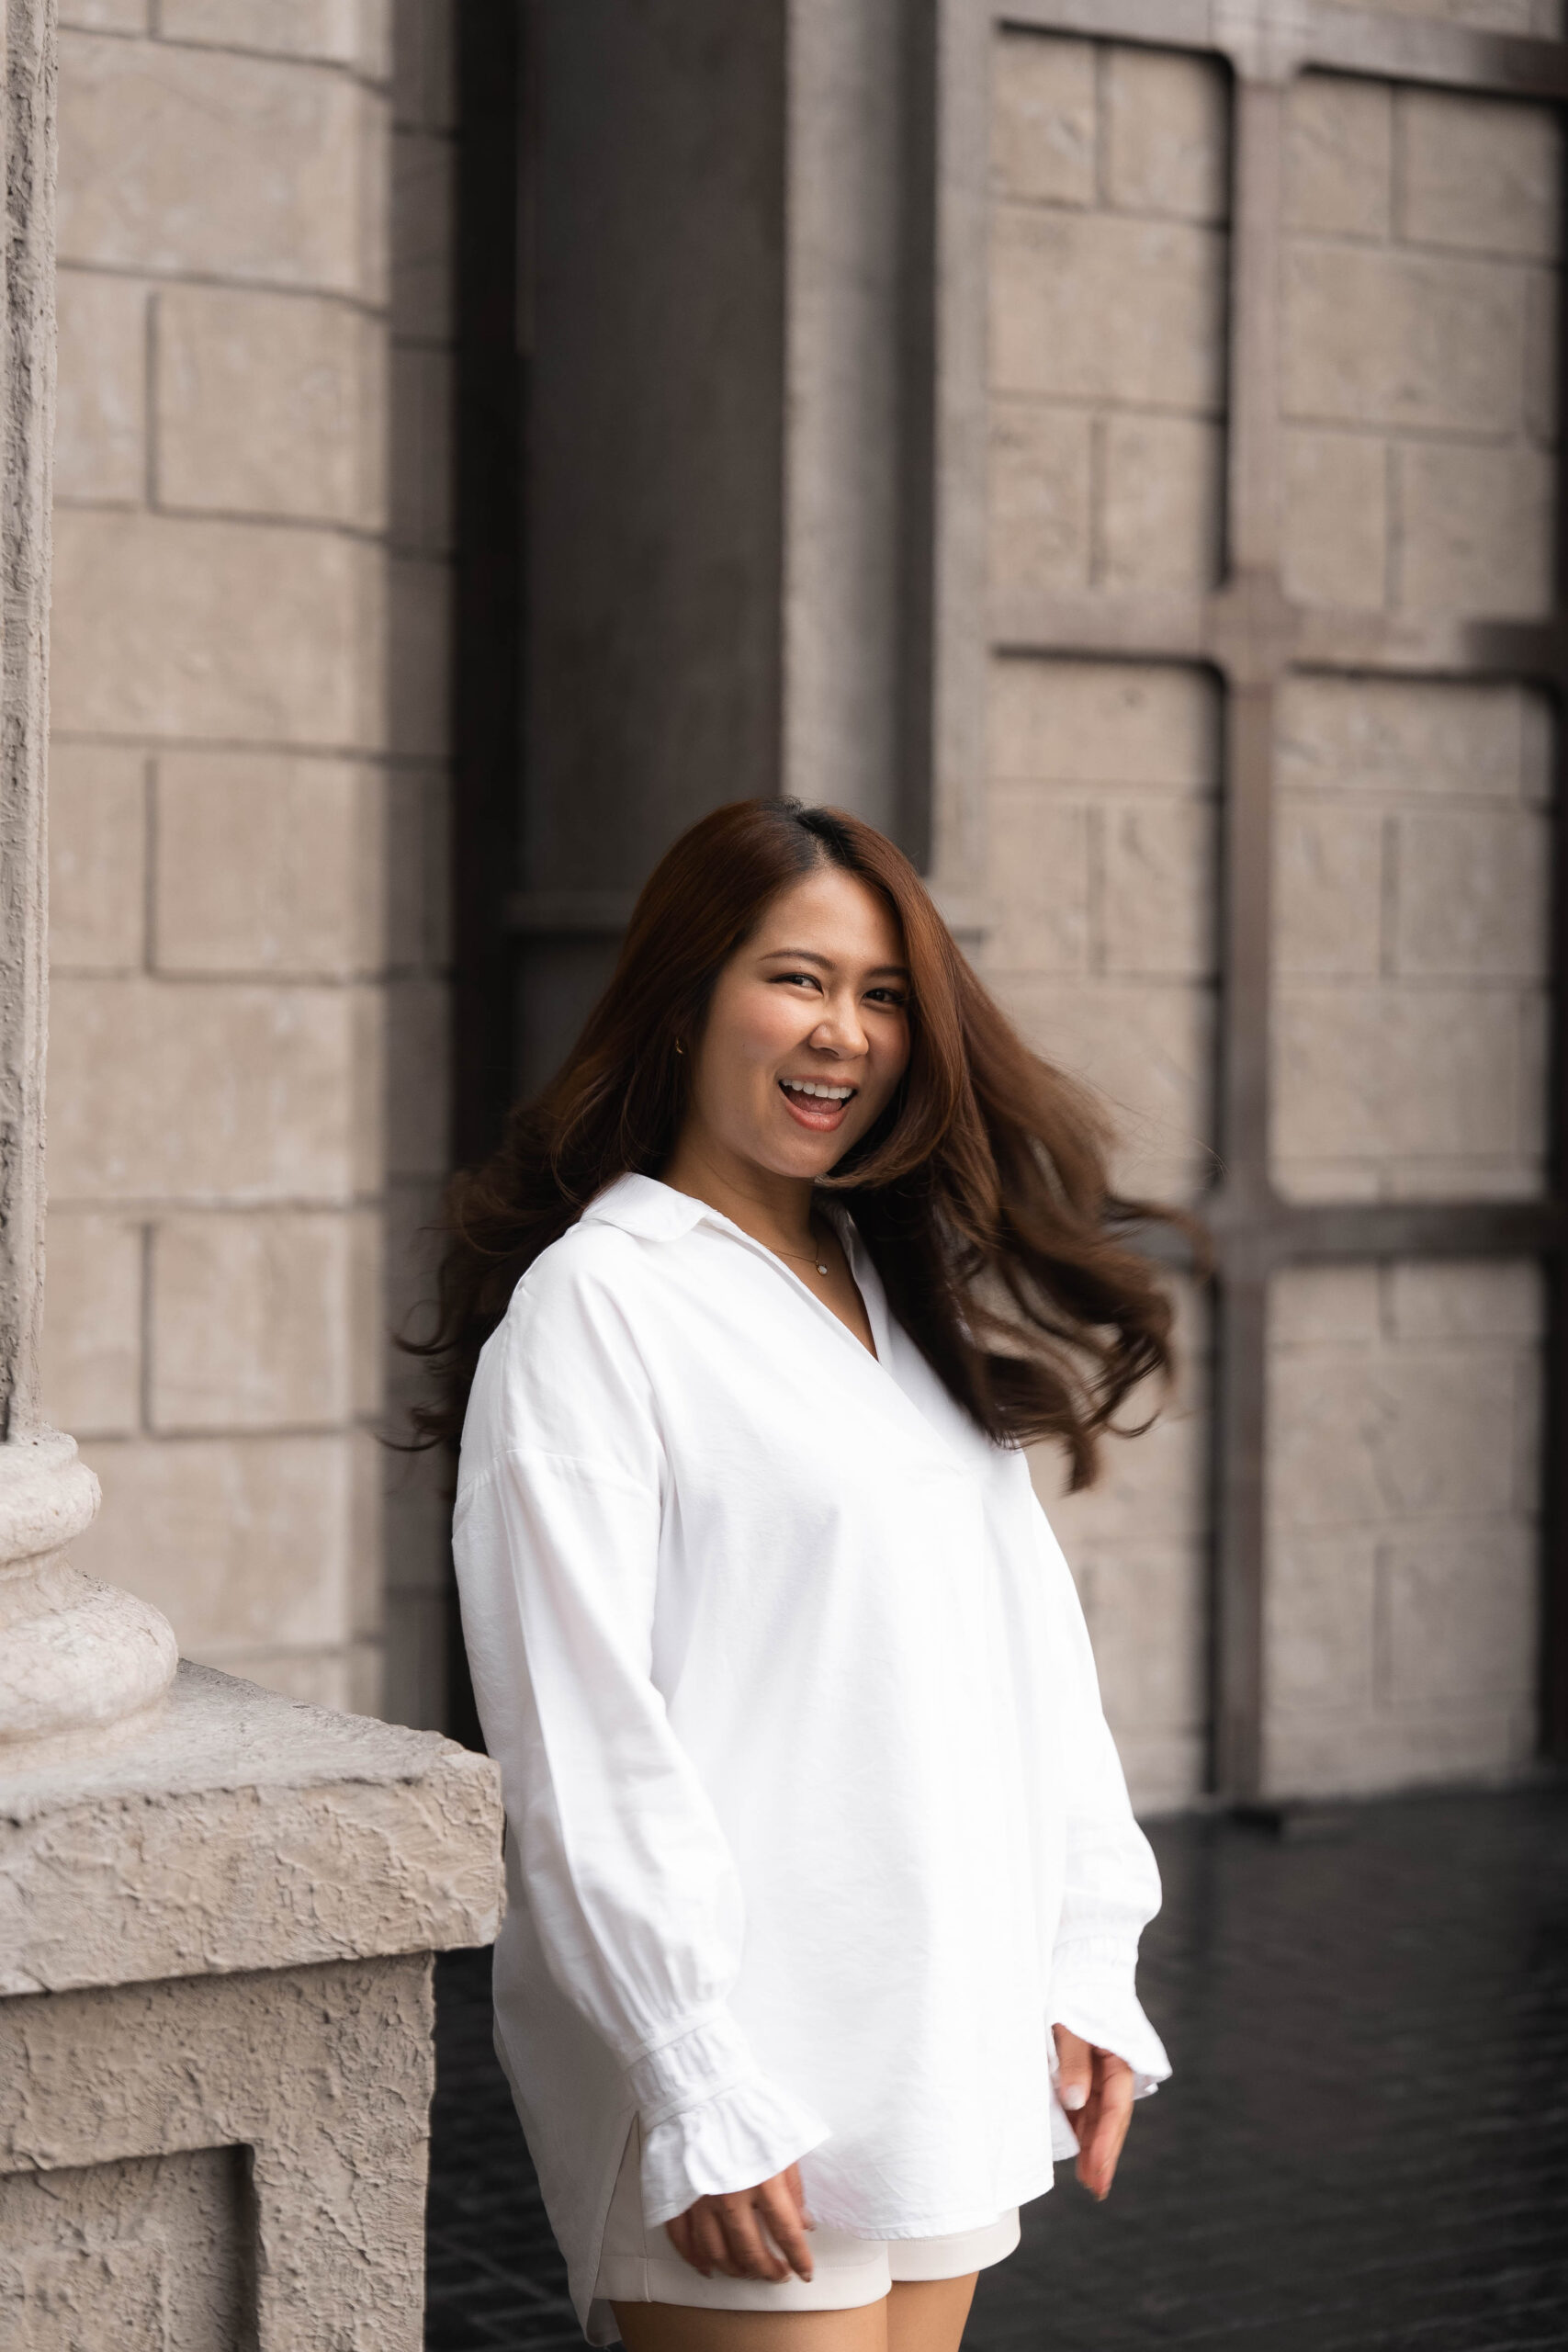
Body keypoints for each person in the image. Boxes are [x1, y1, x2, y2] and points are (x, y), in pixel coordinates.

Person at [417, 799, 1179, 2352]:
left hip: (942, 2040)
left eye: (884, 994)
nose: (846, 1031)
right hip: (748, 2069)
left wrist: (1089, 1955)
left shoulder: (894, 1290)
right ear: (683, 999)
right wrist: (694, 2073)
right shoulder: (598, 1307)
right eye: (798, 979)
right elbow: (579, 1744)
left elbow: (1030, 1660)